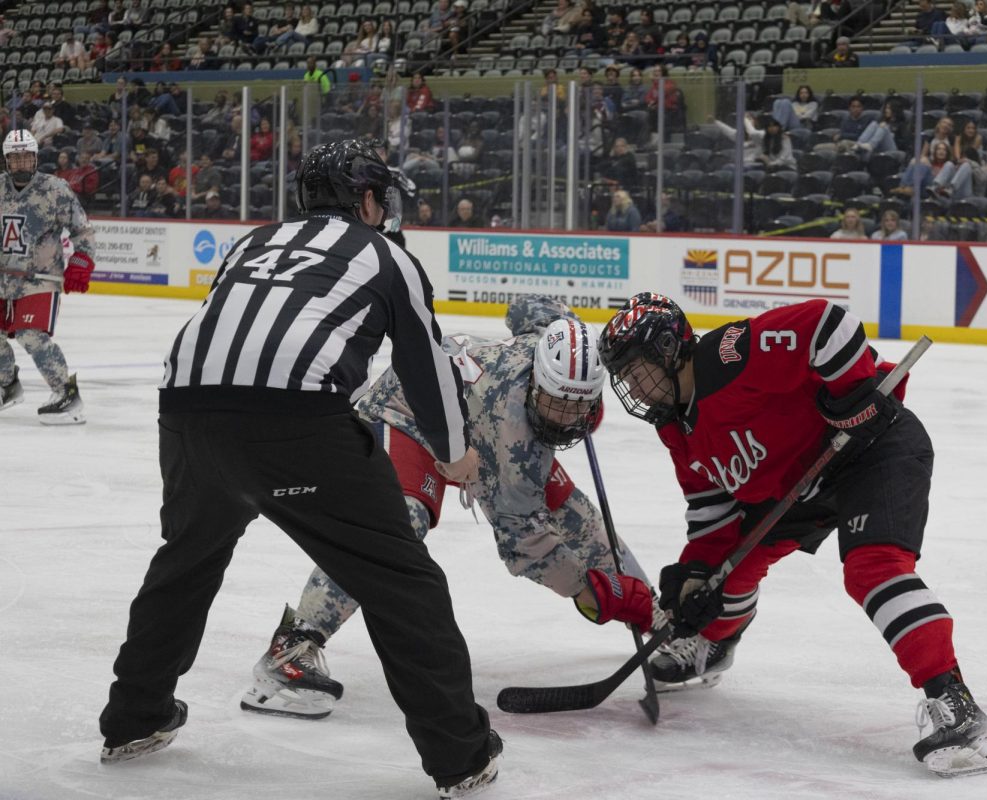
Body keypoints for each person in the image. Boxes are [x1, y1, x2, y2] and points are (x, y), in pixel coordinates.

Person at [95, 139, 502, 798]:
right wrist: (455, 457)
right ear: (368, 199)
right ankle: (461, 752)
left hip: (187, 413)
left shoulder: (254, 240)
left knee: (187, 558)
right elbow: (423, 368)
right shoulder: (387, 257)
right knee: (401, 580)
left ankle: (132, 719)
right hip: (296, 424)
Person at [596, 292, 987, 777]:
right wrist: (694, 574)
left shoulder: (727, 356)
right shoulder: (675, 428)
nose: (632, 387)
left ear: (668, 349)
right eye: (622, 377)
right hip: (799, 486)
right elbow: (712, 511)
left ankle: (955, 702)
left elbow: (825, 322)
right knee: (720, 579)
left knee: (871, 571)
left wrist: (853, 396)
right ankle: (713, 644)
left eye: (635, 369)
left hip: (871, 449)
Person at [242, 294, 657, 719]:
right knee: (396, 524)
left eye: (578, 405)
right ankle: (290, 650)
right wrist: (593, 592)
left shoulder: (547, 348)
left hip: (474, 430)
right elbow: (524, 544)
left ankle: (660, 619)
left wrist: (563, 322)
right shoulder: (516, 431)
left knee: (576, 514)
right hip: (408, 416)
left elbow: (525, 308)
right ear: (536, 379)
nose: (565, 418)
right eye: (555, 401)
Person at [0, 129, 95, 425]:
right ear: (6, 161)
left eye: (26, 157)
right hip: (2, 279)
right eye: (15, 159)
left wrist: (80, 261)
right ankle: (7, 385)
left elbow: (83, 231)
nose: (21, 164)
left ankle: (66, 394)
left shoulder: (55, 189)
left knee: (31, 336)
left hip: (39, 277)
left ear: (36, 158)